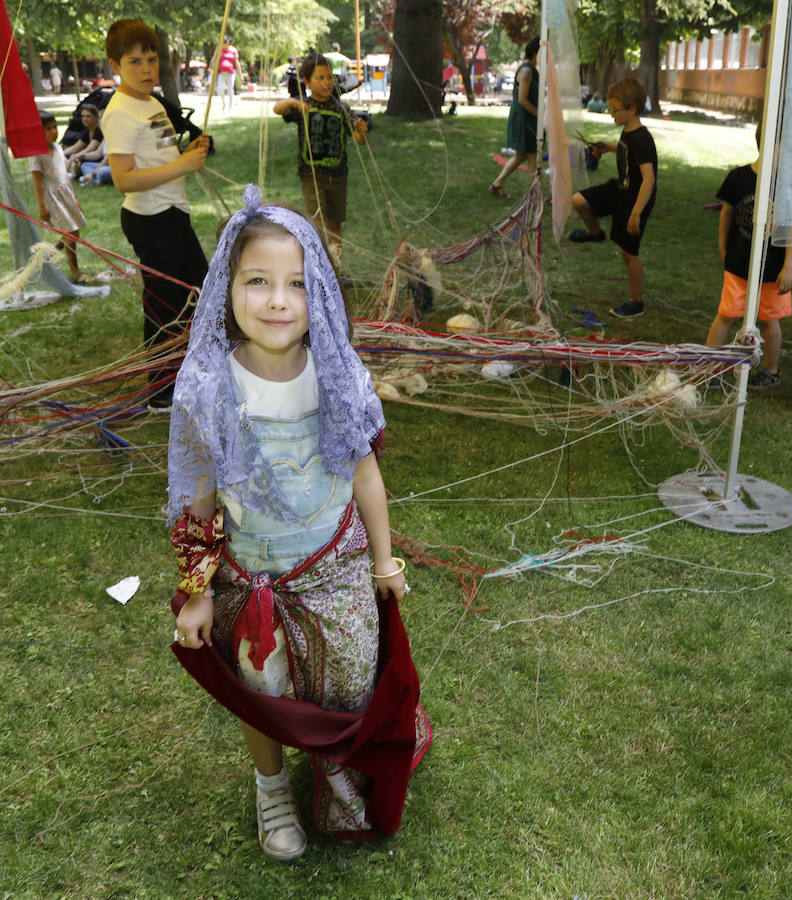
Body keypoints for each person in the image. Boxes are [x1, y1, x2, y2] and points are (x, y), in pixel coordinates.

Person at [167, 186, 431, 861]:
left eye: (297, 284)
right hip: (252, 576)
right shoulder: (209, 387)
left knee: (347, 678)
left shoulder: (338, 377)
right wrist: (197, 591)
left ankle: (338, 766)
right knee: (264, 689)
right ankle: (273, 785)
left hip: (334, 567)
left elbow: (365, 475)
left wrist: (384, 561)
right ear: (228, 288)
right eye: (258, 281)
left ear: (321, 296)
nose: (278, 300)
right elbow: (199, 499)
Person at [101, 18, 210, 411]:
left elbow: (161, 153)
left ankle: (185, 373)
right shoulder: (120, 112)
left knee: (197, 292)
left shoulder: (150, 102)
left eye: (151, 59)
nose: (147, 69)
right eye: (135, 62)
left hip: (171, 213)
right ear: (115, 66)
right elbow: (123, 179)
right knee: (166, 304)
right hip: (150, 218)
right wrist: (183, 165)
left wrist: (193, 148)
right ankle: (162, 392)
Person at [705, 123, 792, 390]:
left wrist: (789, 267)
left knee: (770, 321)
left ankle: (770, 371)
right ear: (768, 145)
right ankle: (710, 368)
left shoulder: (787, 185)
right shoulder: (739, 178)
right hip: (739, 267)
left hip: (773, 272)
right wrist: (723, 247)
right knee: (725, 315)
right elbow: (726, 214)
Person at [568, 77, 657, 319]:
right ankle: (595, 234)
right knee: (578, 201)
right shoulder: (628, 132)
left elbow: (649, 179)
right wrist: (608, 147)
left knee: (629, 253)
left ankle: (636, 302)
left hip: (634, 200)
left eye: (614, 110)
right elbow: (627, 150)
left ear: (632, 109)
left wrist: (637, 212)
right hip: (619, 189)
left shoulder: (642, 138)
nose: (610, 114)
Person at [272, 53, 368, 269]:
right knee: (316, 222)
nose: (327, 82)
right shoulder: (303, 106)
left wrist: (361, 131)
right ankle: (317, 267)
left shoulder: (341, 108)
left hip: (338, 175)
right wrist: (294, 103)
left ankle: (336, 266)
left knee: (335, 223)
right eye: (320, 78)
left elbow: (360, 141)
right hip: (311, 175)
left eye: (329, 77)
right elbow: (277, 108)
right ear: (307, 82)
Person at [30, 110, 89, 284]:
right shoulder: (36, 154)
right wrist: (42, 206)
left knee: (74, 230)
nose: (54, 131)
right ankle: (75, 272)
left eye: (55, 127)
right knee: (70, 232)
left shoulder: (57, 148)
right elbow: (37, 183)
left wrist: (75, 197)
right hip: (52, 197)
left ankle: (50, 252)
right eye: (48, 128)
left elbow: (64, 173)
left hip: (66, 193)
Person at [489, 36, 540, 199]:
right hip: (524, 119)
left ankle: (497, 184)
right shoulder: (526, 71)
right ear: (535, 52)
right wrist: (540, 115)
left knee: (525, 155)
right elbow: (522, 100)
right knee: (531, 154)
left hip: (529, 118)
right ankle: (535, 194)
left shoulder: (534, 70)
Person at [63, 104, 103, 177]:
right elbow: (76, 147)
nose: (85, 119)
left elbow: (90, 149)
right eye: (83, 116)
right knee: (66, 159)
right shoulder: (87, 131)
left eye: (88, 116)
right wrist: (61, 154)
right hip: (88, 157)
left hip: (96, 158)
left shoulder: (99, 131)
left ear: (96, 117)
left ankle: (72, 174)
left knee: (76, 162)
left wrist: (76, 156)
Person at [216, 36, 240, 113]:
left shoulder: (233, 50)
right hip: (221, 73)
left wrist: (241, 74)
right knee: (220, 89)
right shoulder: (219, 49)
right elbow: (215, 60)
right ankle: (223, 104)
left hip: (231, 73)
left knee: (230, 90)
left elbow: (236, 63)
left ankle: (231, 106)